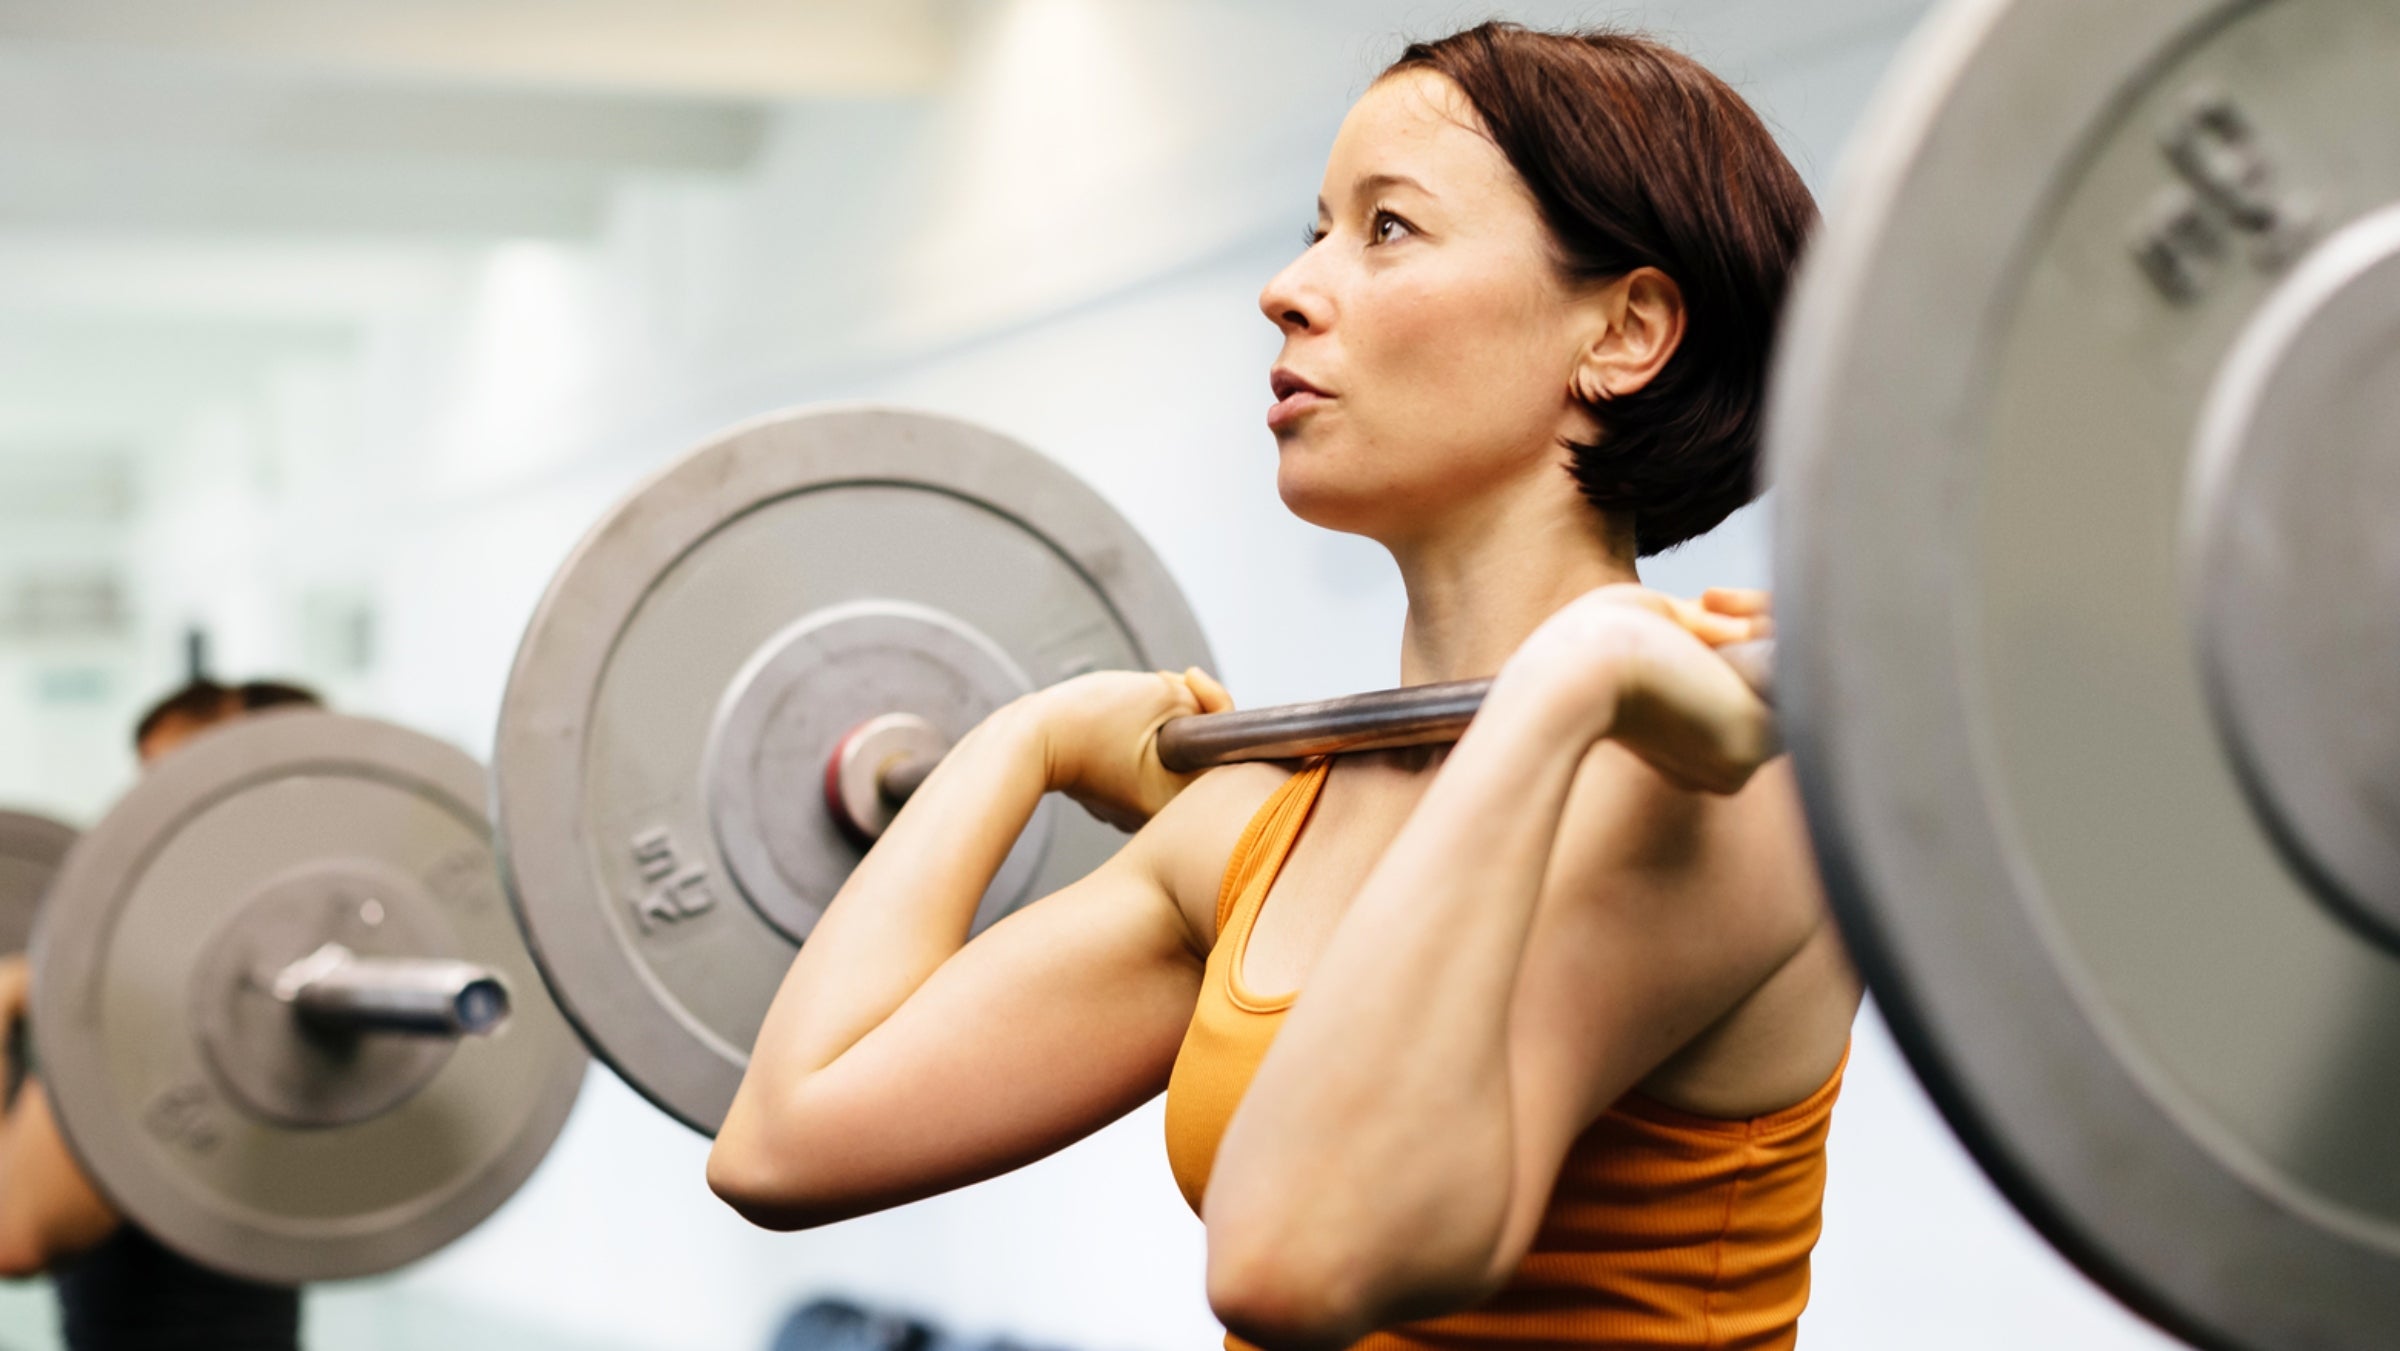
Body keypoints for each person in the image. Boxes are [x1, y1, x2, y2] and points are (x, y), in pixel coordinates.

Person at [709, 22, 1859, 1350]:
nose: (1288, 287)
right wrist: (1020, 741)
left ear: (1626, 329)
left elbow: (1290, 1260)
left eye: (1387, 229)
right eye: (1317, 227)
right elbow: (785, 1139)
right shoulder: (1261, 826)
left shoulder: (1710, 786)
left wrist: (1572, 680)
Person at [0, 677, 323, 1350]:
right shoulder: (266, 980)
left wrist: (13, 997)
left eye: (180, 785)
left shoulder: (158, 1001)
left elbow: (16, 1232)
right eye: (147, 786)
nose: (149, 819)